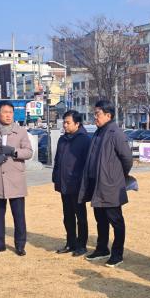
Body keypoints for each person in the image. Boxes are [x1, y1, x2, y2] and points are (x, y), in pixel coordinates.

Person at [78, 99, 133, 268]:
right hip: (96, 184)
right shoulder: (98, 132)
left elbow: (127, 159)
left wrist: (117, 176)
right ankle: (102, 249)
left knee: (115, 219)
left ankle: (118, 254)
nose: (95, 117)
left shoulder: (116, 133)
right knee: (100, 218)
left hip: (110, 185)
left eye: (97, 114)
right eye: (95, 113)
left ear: (108, 115)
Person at [0, 100, 33, 256]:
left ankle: (20, 245)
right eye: (5, 112)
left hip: (16, 178)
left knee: (19, 215)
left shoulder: (21, 131)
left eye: (11, 112)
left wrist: (14, 152)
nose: (8, 115)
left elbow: (28, 152)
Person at [52, 110, 92, 256]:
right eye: (64, 122)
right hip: (64, 184)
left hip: (78, 185)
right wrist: (56, 177)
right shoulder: (62, 139)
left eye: (68, 122)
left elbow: (88, 164)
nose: (65, 125)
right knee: (67, 216)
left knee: (80, 217)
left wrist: (85, 183)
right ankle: (70, 243)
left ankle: (82, 245)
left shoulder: (85, 140)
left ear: (77, 123)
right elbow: (57, 161)